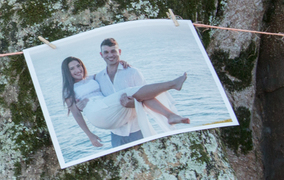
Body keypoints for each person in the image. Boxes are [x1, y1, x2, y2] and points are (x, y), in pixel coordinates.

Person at [61, 41, 190, 149]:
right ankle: (172, 85)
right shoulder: (69, 90)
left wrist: (119, 62)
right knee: (129, 92)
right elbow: (76, 114)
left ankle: (171, 115)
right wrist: (90, 135)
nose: (78, 70)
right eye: (72, 69)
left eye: (78, 66)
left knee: (138, 93)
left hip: (115, 115)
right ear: (67, 72)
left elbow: (110, 69)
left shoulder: (93, 78)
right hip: (97, 114)